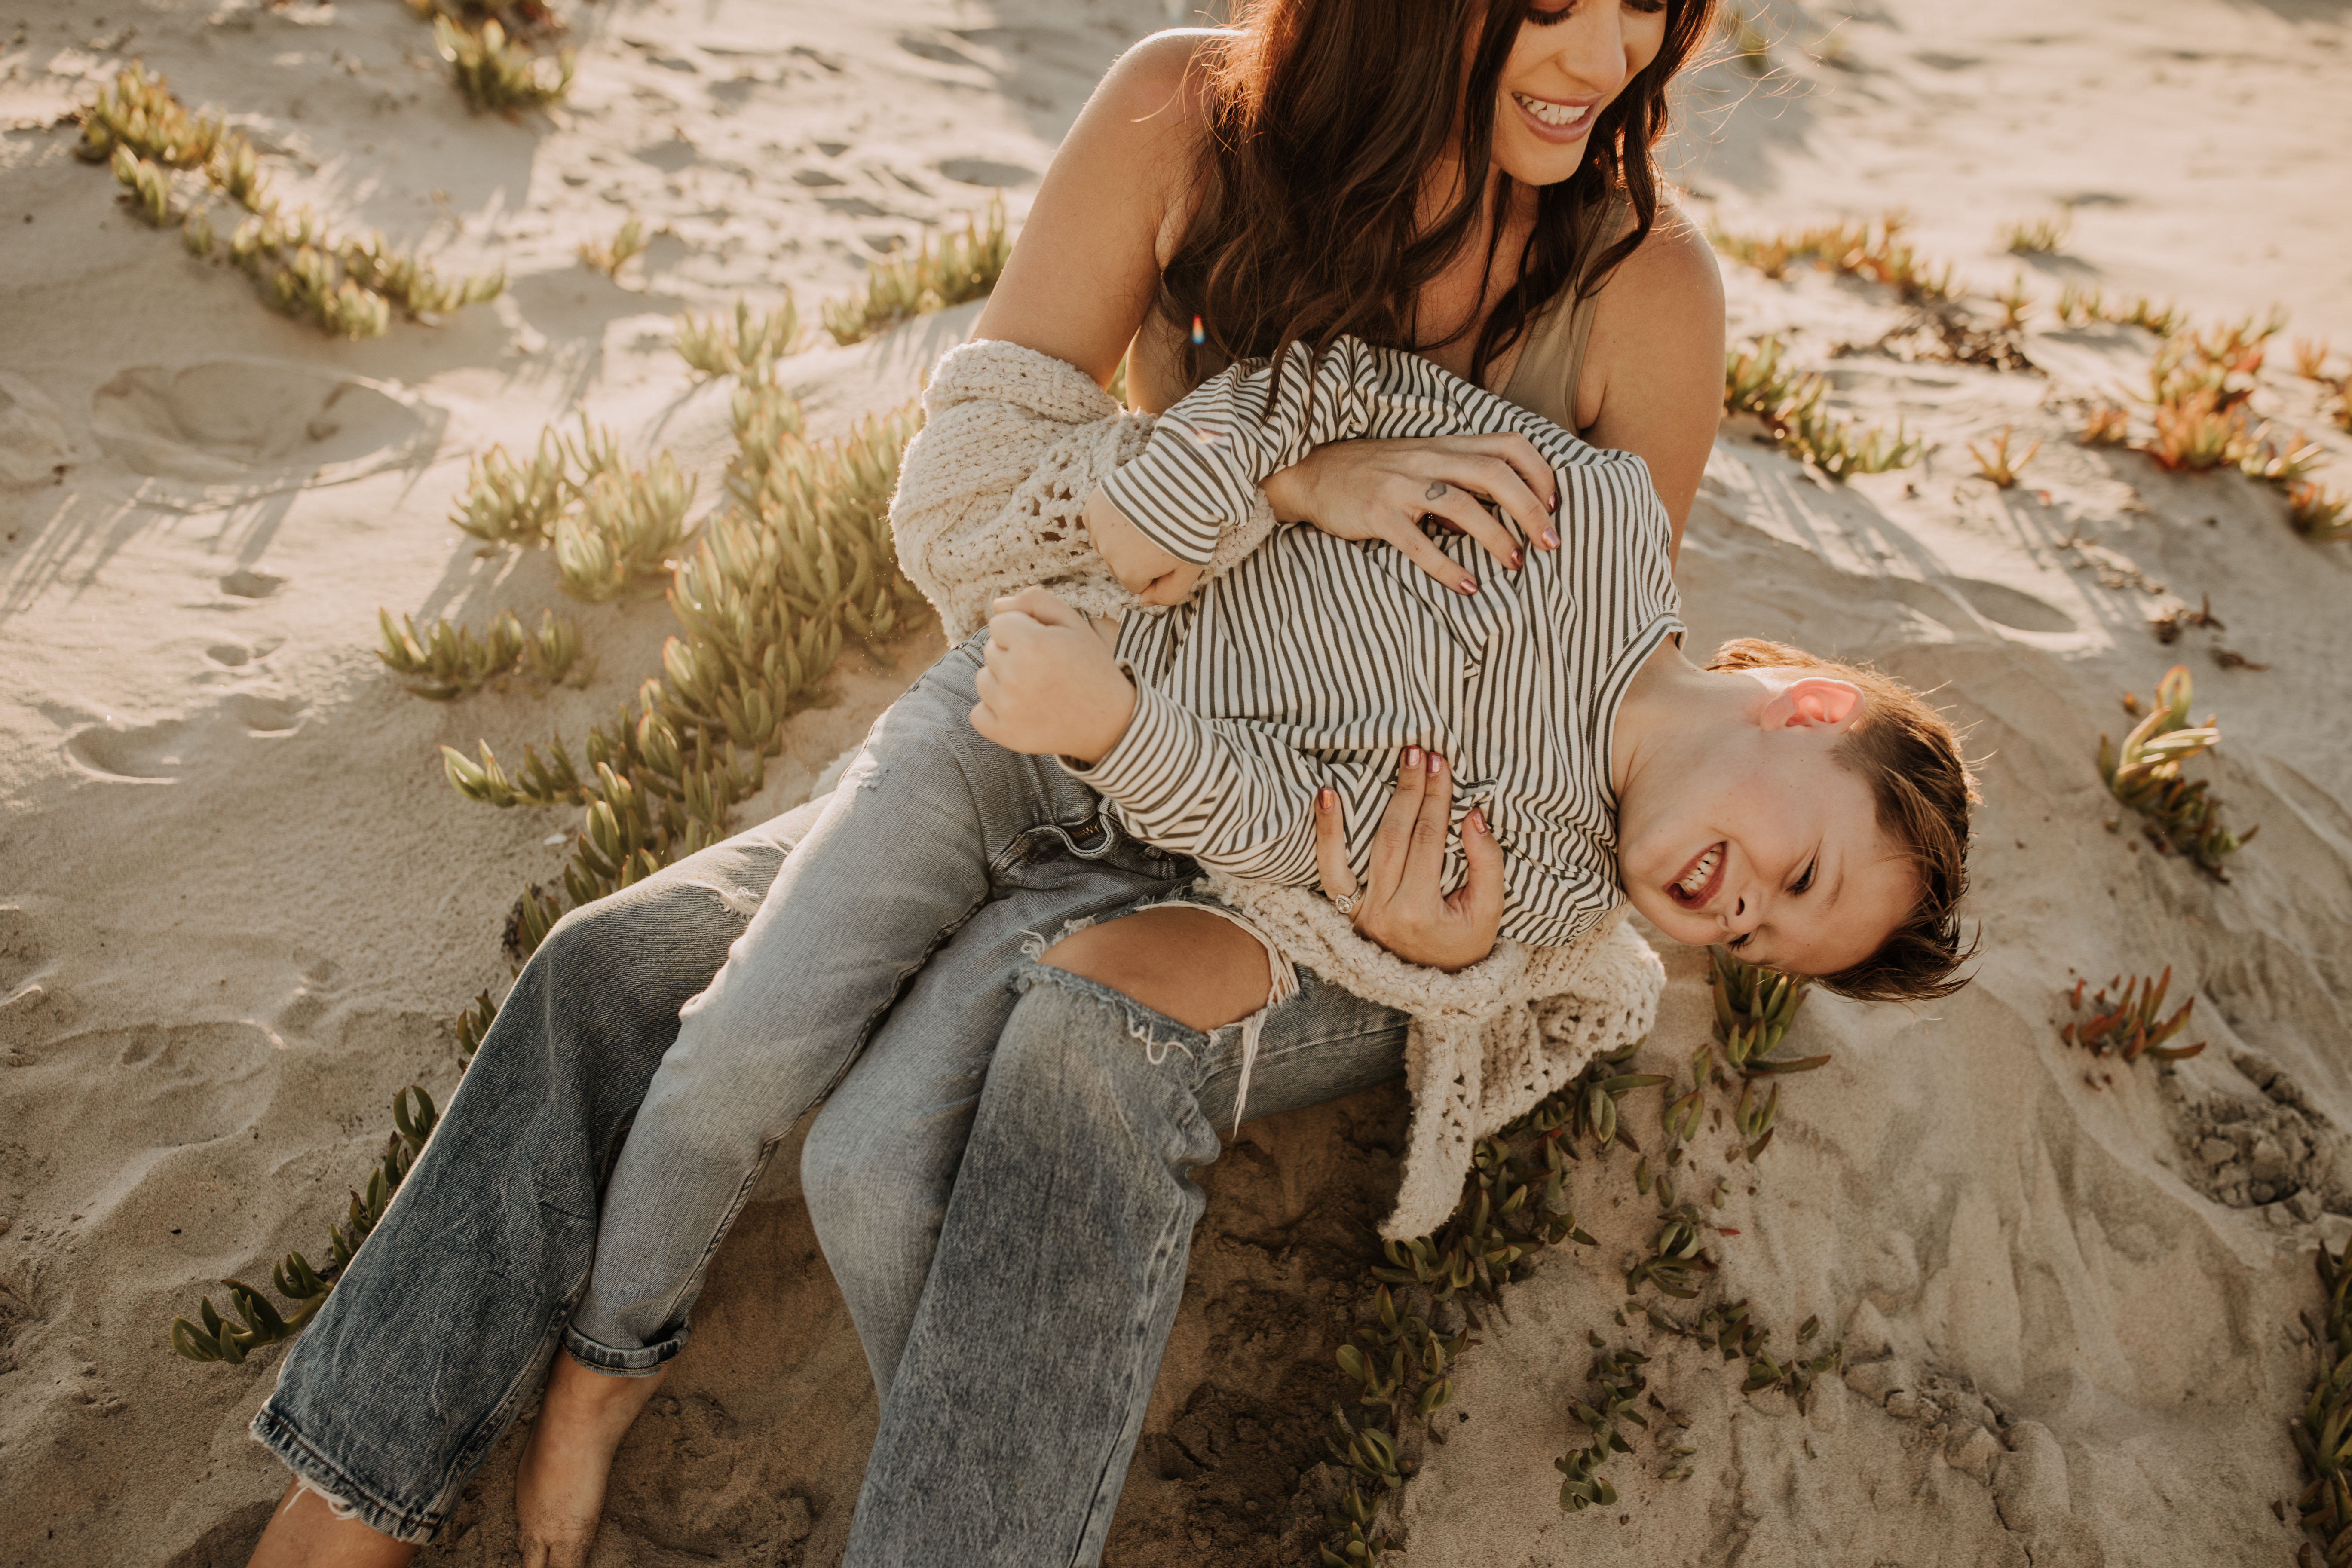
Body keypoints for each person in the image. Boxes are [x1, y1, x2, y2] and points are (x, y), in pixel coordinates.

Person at [236, 2, 1837, 1564]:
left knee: (1091, 1049)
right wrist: (1275, 482)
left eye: (1652, 7)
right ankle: (350, 1501)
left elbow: (1591, 741)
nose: (1610, 59)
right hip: (1091, 717)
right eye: (1558, 4)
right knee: (620, 964)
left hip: (1331, 882)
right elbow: (972, 515)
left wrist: (1453, 945)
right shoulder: (1184, 125)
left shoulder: (1642, 287)